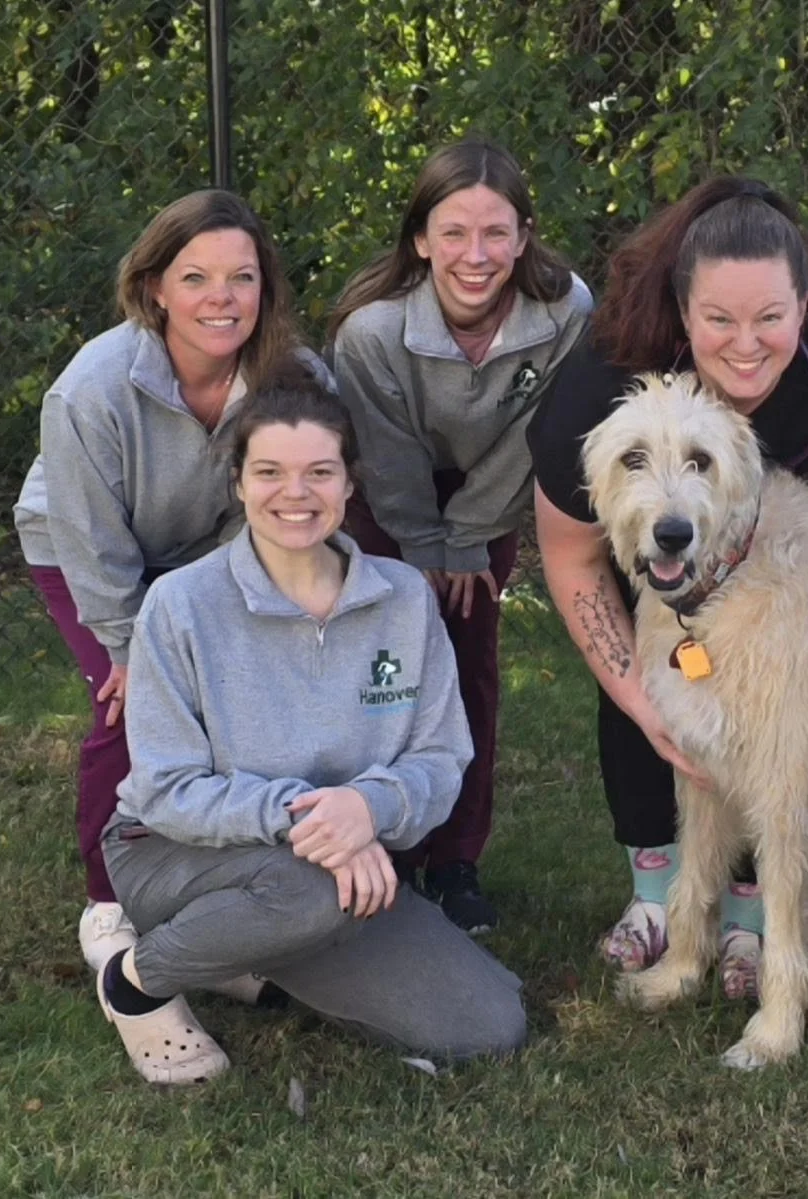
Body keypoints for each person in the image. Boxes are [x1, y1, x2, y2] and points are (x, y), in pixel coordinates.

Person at [527, 176, 808, 995]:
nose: (745, 343)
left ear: (804, 309)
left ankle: (757, 920)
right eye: (719, 320)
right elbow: (569, 556)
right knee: (658, 669)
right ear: (681, 310)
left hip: (774, 548)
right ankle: (660, 904)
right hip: (672, 561)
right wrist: (645, 698)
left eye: (769, 318)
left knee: (766, 719)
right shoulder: (607, 379)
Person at [95, 369, 527, 1085]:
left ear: (349, 483)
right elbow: (168, 789)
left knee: (488, 1025)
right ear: (237, 481)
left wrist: (371, 807)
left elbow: (441, 757)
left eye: (318, 472)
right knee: (312, 895)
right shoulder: (180, 604)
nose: (294, 494)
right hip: (176, 851)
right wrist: (315, 820)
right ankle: (136, 976)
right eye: (269, 471)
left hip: (340, 854)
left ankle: (243, 951)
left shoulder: (402, 599)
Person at [14, 190, 331, 973]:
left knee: (232, 698)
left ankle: (213, 882)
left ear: (267, 287)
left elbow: (279, 502)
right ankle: (109, 902)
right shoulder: (92, 386)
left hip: (206, 551)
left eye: (242, 278)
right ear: (154, 286)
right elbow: (89, 531)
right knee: (131, 705)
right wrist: (128, 644)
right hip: (80, 548)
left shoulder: (293, 376)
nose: (221, 299)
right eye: (195, 278)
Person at [328, 139, 592, 933]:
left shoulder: (564, 312)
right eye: (453, 233)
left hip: (491, 499)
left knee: (468, 667)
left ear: (524, 235)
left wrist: (471, 539)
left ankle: (455, 861)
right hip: (385, 503)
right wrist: (420, 553)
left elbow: (538, 435)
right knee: (384, 672)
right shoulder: (372, 332)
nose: (475, 256)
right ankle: (382, 849)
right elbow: (387, 454)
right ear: (419, 239)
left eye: (495, 233)